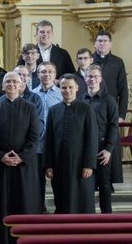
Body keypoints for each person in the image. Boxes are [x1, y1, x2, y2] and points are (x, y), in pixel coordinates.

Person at [0, 72, 41, 244]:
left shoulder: (30, 107)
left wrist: (21, 157)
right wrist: (1, 156)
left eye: (15, 82)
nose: (11, 84)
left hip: (24, 166)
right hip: (2, 166)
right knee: (2, 207)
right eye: (8, 82)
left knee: (24, 204)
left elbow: (35, 137)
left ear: (21, 85)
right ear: (2, 86)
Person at [44, 74, 98, 214]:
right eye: (63, 87)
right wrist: (48, 164)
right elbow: (48, 139)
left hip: (80, 164)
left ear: (77, 88)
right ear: (59, 88)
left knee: (82, 199)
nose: (67, 90)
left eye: (70, 87)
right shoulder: (53, 110)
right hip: (59, 164)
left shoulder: (86, 109)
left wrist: (89, 164)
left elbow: (92, 138)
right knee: (61, 199)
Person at [81, 64, 120, 213]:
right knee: (86, 184)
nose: (92, 79)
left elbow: (114, 126)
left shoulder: (108, 100)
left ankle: (106, 217)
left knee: (104, 184)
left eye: (96, 76)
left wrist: (108, 149)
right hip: (84, 149)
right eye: (90, 76)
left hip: (102, 147)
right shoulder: (81, 100)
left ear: (101, 79)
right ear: (85, 78)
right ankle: (88, 214)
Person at [32, 61, 62, 211]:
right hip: (37, 145)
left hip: (54, 144)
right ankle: (40, 208)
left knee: (57, 180)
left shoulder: (61, 94)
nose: (46, 75)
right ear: (38, 75)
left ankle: (60, 209)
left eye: (50, 72)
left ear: (55, 75)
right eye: (43, 72)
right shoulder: (32, 94)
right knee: (37, 181)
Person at [92, 30, 128, 122]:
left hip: (111, 108)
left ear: (110, 44)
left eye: (105, 41)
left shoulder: (118, 62)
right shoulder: (88, 60)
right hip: (91, 107)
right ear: (95, 43)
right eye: (99, 41)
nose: (102, 43)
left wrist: (122, 115)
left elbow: (123, 89)